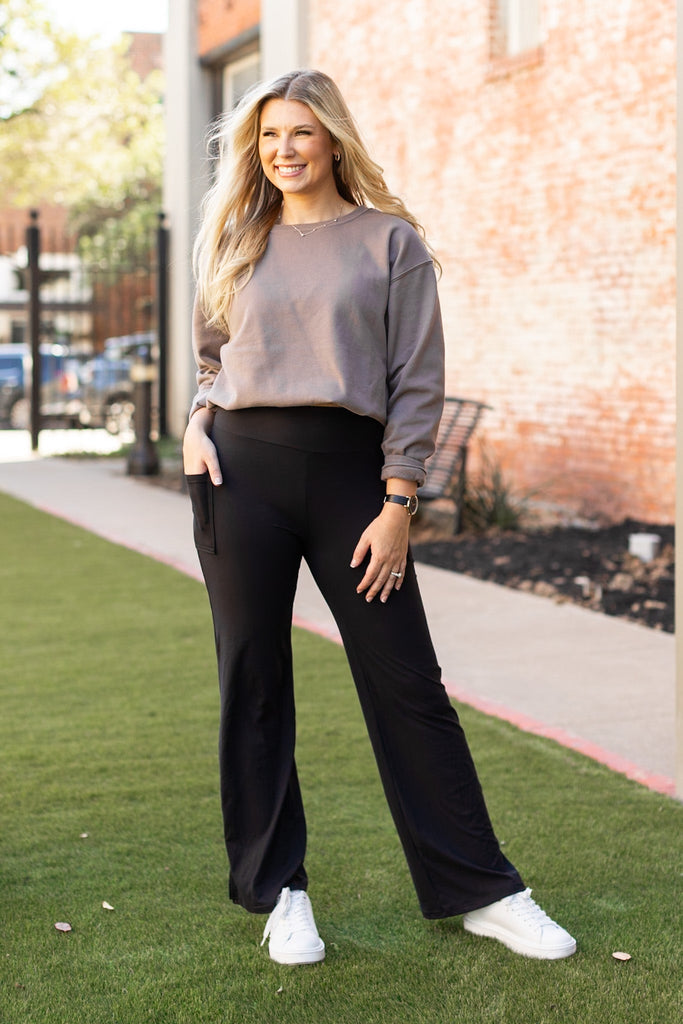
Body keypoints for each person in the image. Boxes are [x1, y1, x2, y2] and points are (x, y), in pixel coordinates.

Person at [183, 68, 576, 966]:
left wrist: (399, 500)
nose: (283, 150)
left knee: (407, 681)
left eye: (300, 132)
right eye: (268, 135)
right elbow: (213, 361)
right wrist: (196, 423)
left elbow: (416, 380)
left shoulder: (389, 242)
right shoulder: (236, 238)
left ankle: (484, 892)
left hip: (353, 480)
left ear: (332, 140)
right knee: (252, 678)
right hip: (238, 475)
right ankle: (280, 893)